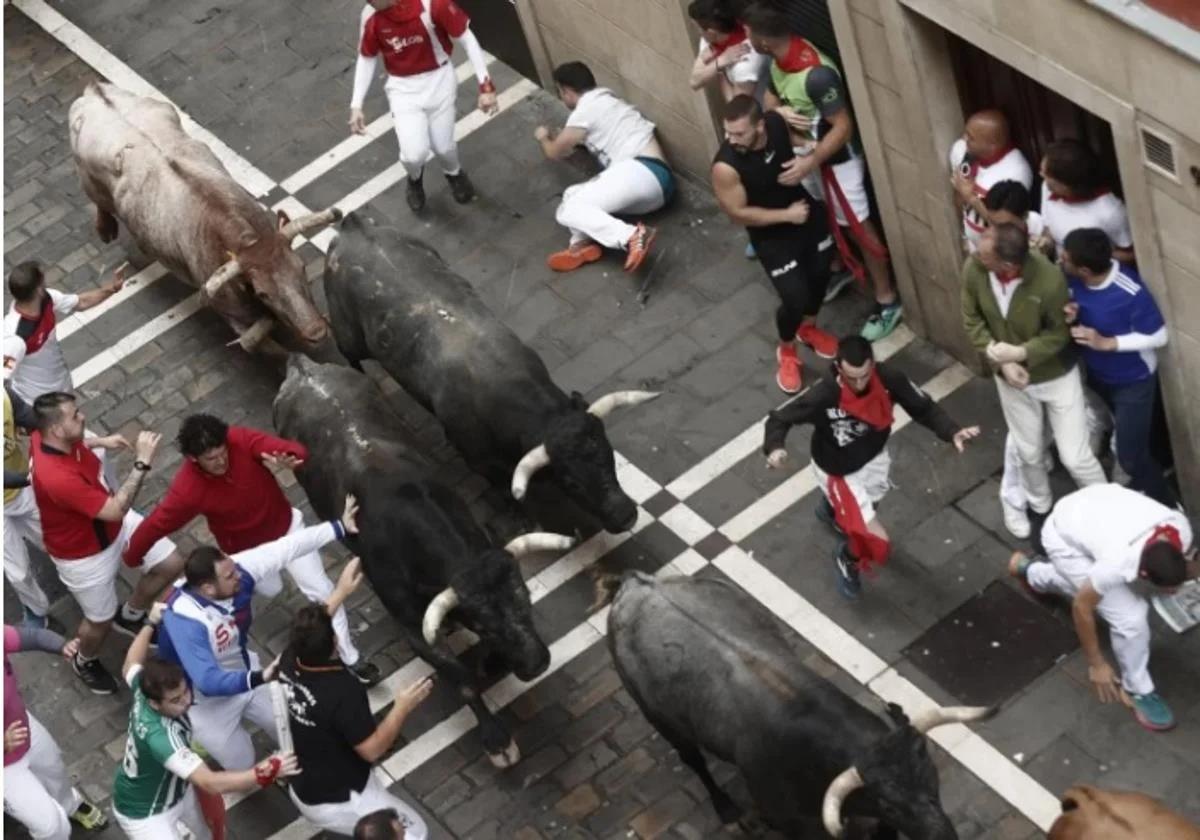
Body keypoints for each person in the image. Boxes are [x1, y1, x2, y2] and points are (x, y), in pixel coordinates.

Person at [124, 414, 381, 685]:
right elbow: (158, 523)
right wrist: (132, 556)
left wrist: (288, 457)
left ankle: (351, 658)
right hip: (250, 555)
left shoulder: (239, 439)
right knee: (272, 589)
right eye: (212, 458)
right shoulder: (187, 490)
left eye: (223, 453)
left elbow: (289, 449)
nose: (221, 461)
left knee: (323, 591)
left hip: (287, 529)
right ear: (193, 459)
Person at [763, 335, 980, 598]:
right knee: (875, 539)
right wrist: (776, 448)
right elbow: (779, 419)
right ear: (839, 368)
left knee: (872, 504)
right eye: (851, 377)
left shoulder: (891, 379)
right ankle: (847, 557)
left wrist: (951, 430)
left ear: (873, 365)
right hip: (837, 470)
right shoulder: (824, 394)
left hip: (874, 457)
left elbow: (922, 407)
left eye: (864, 375)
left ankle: (830, 510)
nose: (859, 383)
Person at [156, 494, 360, 771]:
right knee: (241, 763)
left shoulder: (238, 569)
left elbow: (286, 547)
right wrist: (261, 677)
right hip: (207, 705)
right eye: (229, 577)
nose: (238, 575)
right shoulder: (185, 621)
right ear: (207, 589)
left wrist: (339, 526)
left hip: (246, 674)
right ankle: (194, 732)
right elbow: (208, 679)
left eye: (233, 569)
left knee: (293, 731)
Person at [741, 3, 901, 342]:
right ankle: (837, 268)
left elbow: (843, 127)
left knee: (857, 225)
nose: (746, 39)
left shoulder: (817, 75)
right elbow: (769, 102)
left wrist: (810, 161)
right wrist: (782, 114)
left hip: (837, 163)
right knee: (821, 215)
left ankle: (887, 299)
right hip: (806, 160)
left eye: (749, 34)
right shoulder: (779, 62)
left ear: (765, 42)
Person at [28, 392, 183, 695]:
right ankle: (84, 659)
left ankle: (132, 613)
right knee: (98, 621)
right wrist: (141, 462)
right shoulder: (57, 477)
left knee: (171, 563)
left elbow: (76, 443)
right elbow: (115, 509)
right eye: (74, 415)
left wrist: (99, 442)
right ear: (57, 429)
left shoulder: (45, 434)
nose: (82, 417)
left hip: (111, 525)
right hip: (85, 555)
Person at [1009, 484, 1197, 731]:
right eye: (1169, 589)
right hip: (1064, 539)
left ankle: (1031, 572)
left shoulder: (1180, 528)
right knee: (1131, 616)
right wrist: (1096, 664)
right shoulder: (1116, 565)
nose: (1174, 593)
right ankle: (1137, 690)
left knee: (1090, 585)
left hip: (1093, 508)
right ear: (1141, 573)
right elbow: (1082, 607)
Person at [961, 224, 1107, 537]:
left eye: (985, 255)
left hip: (1056, 376)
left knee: (1076, 456)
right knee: (1028, 452)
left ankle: (1109, 509)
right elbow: (972, 319)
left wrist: (1021, 353)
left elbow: (1058, 334)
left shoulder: (1049, 279)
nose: (975, 254)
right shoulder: (974, 269)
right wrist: (998, 358)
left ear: (1008, 264)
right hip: (1010, 378)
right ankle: (1040, 508)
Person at [113, 603, 300, 839]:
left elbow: (130, 664)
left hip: (176, 790)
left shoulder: (145, 687)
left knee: (208, 834)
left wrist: (150, 623)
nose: (185, 703)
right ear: (155, 704)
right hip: (145, 815)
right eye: (175, 700)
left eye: (185, 693)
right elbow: (210, 782)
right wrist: (265, 772)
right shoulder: (161, 737)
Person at [280, 559, 433, 838]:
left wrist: (340, 592)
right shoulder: (342, 692)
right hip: (347, 797)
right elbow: (372, 750)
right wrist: (401, 707)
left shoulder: (291, 659)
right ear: (336, 644)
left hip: (306, 782)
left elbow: (312, 631)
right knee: (415, 833)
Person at [712, 95, 837, 394]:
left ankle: (808, 327)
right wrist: (786, 215)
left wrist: (806, 159)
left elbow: (798, 142)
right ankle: (787, 349)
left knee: (821, 274)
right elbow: (737, 213)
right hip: (771, 234)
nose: (731, 139)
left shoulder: (776, 123)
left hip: (804, 215)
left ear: (760, 126)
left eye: (739, 133)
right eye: (728, 132)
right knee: (794, 296)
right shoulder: (725, 167)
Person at [349, 0, 498, 212]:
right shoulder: (370, 16)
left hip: (439, 81)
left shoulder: (432, 4)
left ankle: (454, 173)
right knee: (413, 155)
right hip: (402, 89)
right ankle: (414, 178)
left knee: (444, 147)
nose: (369, 2)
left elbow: (467, 38)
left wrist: (486, 86)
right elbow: (367, 56)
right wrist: (356, 104)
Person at [1061, 229, 1170, 504]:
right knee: (1114, 428)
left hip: (1133, 382)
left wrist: (1109, 343)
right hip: (1098, 375)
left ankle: (1169, 507)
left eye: (1065, 257)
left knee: (1132, 457)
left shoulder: (1129, 291)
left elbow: (1159, 335)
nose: (1060, 259)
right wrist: (1072, 316)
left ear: (1084, 269)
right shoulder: (1072, 279)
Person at [535, 61, 669, 274]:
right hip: (654, 184)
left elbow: (555, 151)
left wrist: (543, 137)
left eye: (560, 92)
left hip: (642, 170)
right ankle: (581, 244)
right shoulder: (607, 100)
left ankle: (631, 236)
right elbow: (585, 136)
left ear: (567, 91)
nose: (562, 97)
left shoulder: (585, 110)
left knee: (567, 210)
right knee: (571, 194)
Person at [4, 623, 108, 838]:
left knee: (54, 770)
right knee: (50, 827)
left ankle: (69, 805)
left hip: (22, 727)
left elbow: (31, 636)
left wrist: (62, 645)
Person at [3, 260, 125, 404]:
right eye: (42, 279)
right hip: (37, 403)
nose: (45, 281)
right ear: (37, 289)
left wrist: (112, 288)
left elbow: (81, 302)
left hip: (63, 387)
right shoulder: (13, 337)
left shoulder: (47, 299)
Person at [4, 383, 55, 629]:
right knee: (18, 571)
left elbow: (28, 416)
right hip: (20, 483)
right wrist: (34, 475)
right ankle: (37, 609)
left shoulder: (3, 394)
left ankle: (79, 580)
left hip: (23, 491)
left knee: (54, 540)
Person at [948, 110, 1033, 253]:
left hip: (1000, 254)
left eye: (971, 137)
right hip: (974, 248)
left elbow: (1007, 224)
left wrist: (971, 197)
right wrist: (964, 235)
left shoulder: (1015, 173)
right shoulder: (961, 150)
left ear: (992, 144)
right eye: (966, 133)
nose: (964, 139)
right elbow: (958, 197)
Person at [1038, 139, 1134, 262]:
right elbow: (1048, 227)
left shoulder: (1111, 211)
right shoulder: (1047, 188)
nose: (1041, 175)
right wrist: (1045, 244)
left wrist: (1088, 255)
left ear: (1065, 186)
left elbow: (1131, 255)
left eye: (1045, 175)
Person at [687, 0, 769, 103]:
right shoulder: (710, 39)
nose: (698, 32)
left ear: (711, 32)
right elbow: (694, 81)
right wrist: (720, 62)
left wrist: (716, 68)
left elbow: (737, 107)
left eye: (697, 28)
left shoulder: (746, 60)